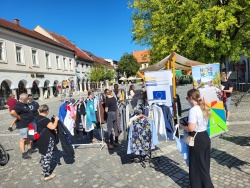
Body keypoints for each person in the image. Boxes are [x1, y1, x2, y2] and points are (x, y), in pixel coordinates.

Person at [179, 89, 214, 188]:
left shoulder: (193, 110)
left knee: (197, 165)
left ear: (190, 98)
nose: (187, 100)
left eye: (187, 98)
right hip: (205, 136)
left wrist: (182, 126)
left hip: (197, 139)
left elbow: (191, 128)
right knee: (204, 165)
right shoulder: (202, 108)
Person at [35, 104, 59, 181]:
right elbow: (52, 126)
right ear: (47, 111)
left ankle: (44, 170)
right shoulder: (45, 120)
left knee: (43, 155)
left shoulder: (36, 118)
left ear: (39, 110)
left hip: (39, 140)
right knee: (47, 156)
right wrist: (56, 120)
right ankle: (46, 175)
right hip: (46, 141)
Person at [10, 93, 37, 159]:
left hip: (28, 123)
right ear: (23, 98)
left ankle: (30, 149)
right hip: (23, 124)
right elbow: (12, 112)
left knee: (28, 137)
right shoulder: (18, 105)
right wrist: (18, 116)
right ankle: (23, 153)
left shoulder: (25, 104)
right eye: (27, 98)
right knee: (23, 139)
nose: (28, 99)